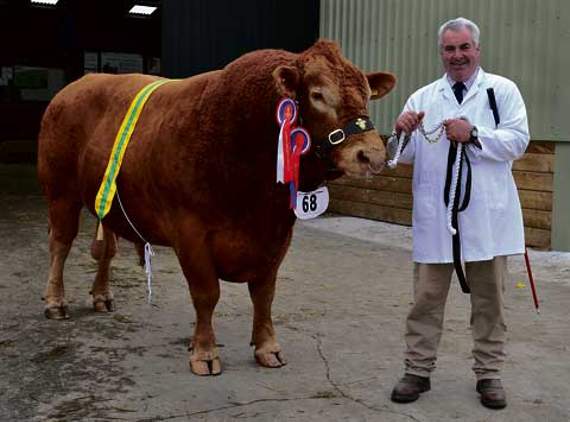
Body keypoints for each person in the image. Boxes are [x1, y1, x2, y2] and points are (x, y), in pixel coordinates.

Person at [389, 17, 529, 410]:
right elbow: (401, 156)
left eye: (464, 47)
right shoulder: (423, 97)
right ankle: (417, 370)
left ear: (477, 50)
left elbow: (518, 141)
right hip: (437, 219)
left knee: (490, 302)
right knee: (426, 300)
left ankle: (489, 374)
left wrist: (475, 134)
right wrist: (400, 131)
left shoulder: (502, 91)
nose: (457, 56)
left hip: (488, 218)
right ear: (441, 53)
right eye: (449, 49)